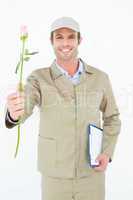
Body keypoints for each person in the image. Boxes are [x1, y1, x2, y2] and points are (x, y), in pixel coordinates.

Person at [5, 16, 121, 200]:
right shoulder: (38, 78)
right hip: (54, 174)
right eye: (59, 37)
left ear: (79, 40)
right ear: (51, 41)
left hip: (91, 173)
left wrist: (106, 153)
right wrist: (13, 112)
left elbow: (112, 117)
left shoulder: (100, 78)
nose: (65, 43)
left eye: (70, 37)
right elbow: (24, 108)